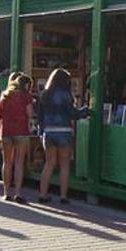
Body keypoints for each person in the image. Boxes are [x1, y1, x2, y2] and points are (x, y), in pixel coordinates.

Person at [38, 68, 88, 204]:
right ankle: (63, 196)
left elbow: (40, 117)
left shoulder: (44, 94)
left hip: (48, 132)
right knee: (64, 165)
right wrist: (85, 111)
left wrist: (41, 131)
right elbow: (73, 113)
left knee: (49, 164)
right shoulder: (66, 95)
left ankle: (43, 194)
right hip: (64, 131)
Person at [0, 74, 34, 203]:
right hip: (21, 131)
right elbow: (30, 113)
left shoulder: (5, 95)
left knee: (7, 162)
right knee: (19, 163)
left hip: (6, 131)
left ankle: (6, 192)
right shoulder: (26, 96)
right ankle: (18, 193)